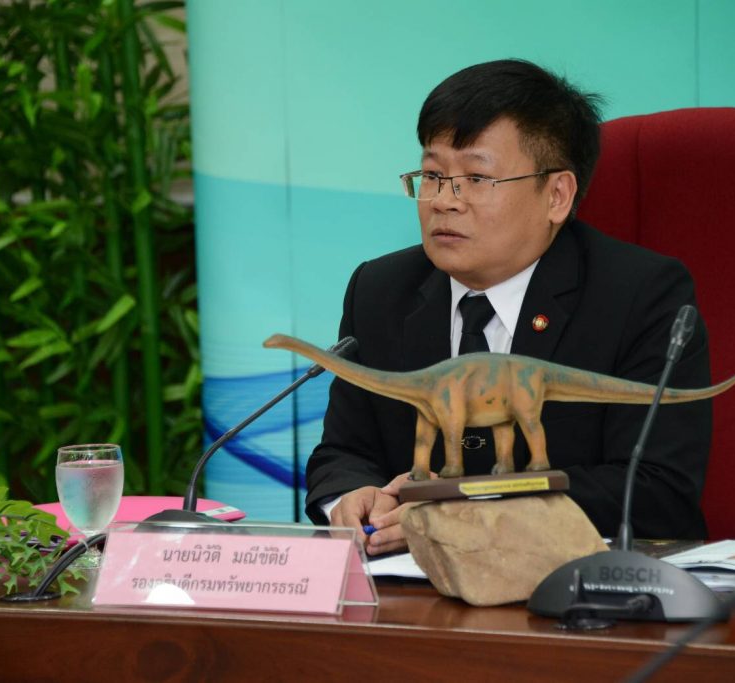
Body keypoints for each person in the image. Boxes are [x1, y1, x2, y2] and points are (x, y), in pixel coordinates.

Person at [305, 59, 712, 555]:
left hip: (576, 598)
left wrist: (468, 511)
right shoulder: (380, 289)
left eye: (477, 178)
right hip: (410, 593)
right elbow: (343, 451)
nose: (443, 201)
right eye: (432, 175)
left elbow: (654, 489)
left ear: (557, 195)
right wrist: (352, 497)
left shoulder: (640, 296)